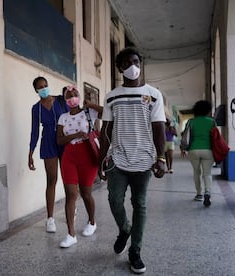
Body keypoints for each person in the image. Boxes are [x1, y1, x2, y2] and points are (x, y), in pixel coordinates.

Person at [98, 47, 166, 274]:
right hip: (117, 158)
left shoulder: (154, 94)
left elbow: (159, 129)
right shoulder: (111, 96)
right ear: (120, 68)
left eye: (135, 62)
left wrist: (161, 157)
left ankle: (135, 251)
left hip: (144, 160)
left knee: (140, 204)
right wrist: (101, 160)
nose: (132, 67)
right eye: (126, 63)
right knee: (114, 200)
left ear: (140, 64)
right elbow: (105, 130)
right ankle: (124, 229)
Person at [57, 85, 103, 248]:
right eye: (68, 95)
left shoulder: (89, 113)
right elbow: (59, 140)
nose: (72, 98)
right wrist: (75, 135)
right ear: (65, 99)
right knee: (70, 194)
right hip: (69, 155)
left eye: (74, 94)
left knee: (86, 193)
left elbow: (106, 113)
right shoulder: (63, 117)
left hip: (87, 154)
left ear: (79, 95)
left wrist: (90, 105)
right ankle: (71, 234)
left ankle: (92, 222)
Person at [28, 76, 69, 233]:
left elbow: (71, 118)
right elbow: (34, 132)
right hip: (48, 143)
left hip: (64, 140)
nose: (44, 88)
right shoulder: (36, 108)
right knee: (51, 180)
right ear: (36, 90)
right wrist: (30, 152)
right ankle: (50, 219)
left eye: (46, 85)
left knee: (69, 178)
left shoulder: (60, 101)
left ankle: (70, 208)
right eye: (40, 87)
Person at [180, 100, 214, 207]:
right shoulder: (211, 122)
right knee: (207, 173)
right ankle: (207, 192)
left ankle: (199, 194)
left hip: (194, 150)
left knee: (196, 172)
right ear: (208, 110)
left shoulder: (191, 122)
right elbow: (216, 137)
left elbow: (185, 137)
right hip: (208, 150)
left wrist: (183, 149)